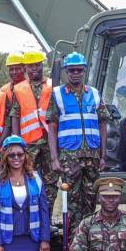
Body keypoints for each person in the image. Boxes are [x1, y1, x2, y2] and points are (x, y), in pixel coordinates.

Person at [48, 52, 110, 231]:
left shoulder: (95, 94)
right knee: (72, 201)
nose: (75, 73)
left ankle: (89, 237)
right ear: (66, 71)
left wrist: (103, 155)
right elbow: (52, 128)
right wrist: (54, 158)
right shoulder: (57, 94)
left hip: (92, 156)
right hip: (69, 157)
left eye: (79, 70)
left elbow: (102, 125)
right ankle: (74, 241)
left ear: (85, 71)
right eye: (72, 70)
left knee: (90, 199)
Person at [8, 51, 55, 202]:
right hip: (29, 144)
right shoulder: (19, 88)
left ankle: (46, 217)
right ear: (26, 68)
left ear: (42, 65)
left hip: (50, 142)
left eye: (37, 65)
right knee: (27, 178)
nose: (34, 68)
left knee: (51, 181)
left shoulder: (52, 85)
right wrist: (16, 141)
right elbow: (15, 114)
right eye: (30, 66)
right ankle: (29, 215)